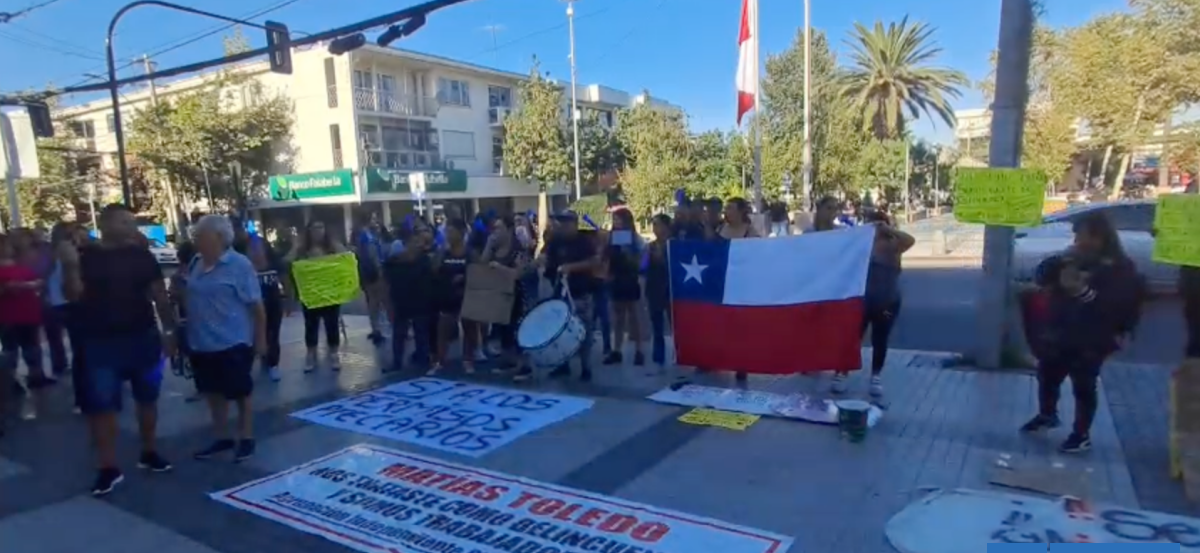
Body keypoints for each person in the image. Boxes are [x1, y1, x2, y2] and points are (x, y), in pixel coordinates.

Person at [61, 203, 175, 496]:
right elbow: (72, 295)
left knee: (147, 398)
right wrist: (70, 267)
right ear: (107, 224)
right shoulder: (85, 257)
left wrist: (170, 331)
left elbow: (159, 294)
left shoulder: (142, 256)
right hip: (101, 343)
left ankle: (149, 452)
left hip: (143, 337)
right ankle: (108, 467)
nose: (131, 227)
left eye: (132, 222)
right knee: (103, 406)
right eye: (125, 222)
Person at [1020, 212, 1143, 453]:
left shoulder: (1119, 267)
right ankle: (1047, 414)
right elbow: (1042, 275)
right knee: (1047, 372)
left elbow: (1113, 305)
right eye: (1076, 235)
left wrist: (1081, 291)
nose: (1077, 240)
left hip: (1095, 336)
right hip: (1063, 330)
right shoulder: (1074, 258)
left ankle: (1081, 433)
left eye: (1082, 235)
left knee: (1084, 383)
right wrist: (1060, 262)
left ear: (1099, 237)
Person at [185, 215, 266, 463]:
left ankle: (246, 437)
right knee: (212, 392)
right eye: (195, 235)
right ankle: (222, 437)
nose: (196, 239)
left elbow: (256, 306)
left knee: (241, 392)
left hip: (233, 341)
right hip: (201, 342)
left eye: (200, 235)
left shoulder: (239, 265)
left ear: (218, 237)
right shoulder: (196, 262)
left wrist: (261, 340)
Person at [829, 209, 915, 397]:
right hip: (862, 300)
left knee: (880, 339)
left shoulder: (893, 244)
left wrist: (887, 229)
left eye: (874, 225)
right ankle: (841, 373)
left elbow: (910, 240)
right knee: (853, 337)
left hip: (887, 300)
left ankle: (875, 377)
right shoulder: (861, 245)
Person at [543, 211, 602, 381]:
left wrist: (572, 267)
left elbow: (594, 262)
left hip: (581, 291)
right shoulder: (555, 241)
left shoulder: (584, 241)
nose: (564, 226)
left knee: (584, 329)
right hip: (559, 292)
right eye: (562, 222)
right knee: (560, 331)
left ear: (575, 223)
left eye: (567, 222)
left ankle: (586, 367)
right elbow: (548, 260)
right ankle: (563, 364)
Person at [285, 220, 347, 372]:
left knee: (331, 324)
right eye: (314, 228)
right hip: (310, 295)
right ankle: (311, 355)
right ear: (309, 231)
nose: (318, 231)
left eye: (321, 227)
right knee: (311, 325)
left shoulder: (332, 246)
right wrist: (296, 246)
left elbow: (346, 257)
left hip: (330, 293)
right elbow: (287, 260)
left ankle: (334, 354)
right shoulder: (302, 248)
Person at [232, 218, 286, 382]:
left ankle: (272, 364)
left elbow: (282, 271)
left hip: (271, 300)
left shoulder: (262, 246)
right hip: (247, 304)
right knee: (249, 334)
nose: (256, 254)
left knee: (272, 332)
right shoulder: (233, 251)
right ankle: (251, 364)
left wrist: (288, 297)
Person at [480, 216, 533, 378]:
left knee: (517, 329)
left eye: (499, 228)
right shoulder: (495, 248)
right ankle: (508, 360)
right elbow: (482, 263)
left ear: (508, 230)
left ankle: (525, 366)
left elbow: (519, 273)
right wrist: (489, 245)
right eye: (494, 228)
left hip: (516, 294)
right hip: (499, 293)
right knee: (504, 329)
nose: (496, 232)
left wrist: (499, 267)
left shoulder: (517, 249)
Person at [384, 221, 435, 372]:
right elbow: (387, 283)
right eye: (415, 241)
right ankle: (397, 362)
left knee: (420, 333)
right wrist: (389, 304)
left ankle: (422, 360)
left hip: (419, 302)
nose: (418, 244)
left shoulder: (424, 260)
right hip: (402, 302)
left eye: (420, 241)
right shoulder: (395, 261)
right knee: (400, 333)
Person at [430, 219, 477, 375]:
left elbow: (478, 272)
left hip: (465, 297)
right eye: (447, 232)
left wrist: (464, 278)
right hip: (447, 298)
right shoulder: (444, 252)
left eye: (451, 232)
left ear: (461, 233)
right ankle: (440, 361)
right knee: (443, 329)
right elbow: (435, 270)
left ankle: (468, 360)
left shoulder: (470, 253)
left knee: (469, 329)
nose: (448, 235)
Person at [605, 208, 645, 366]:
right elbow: (606, 257)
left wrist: (632, 257)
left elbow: (643, 260)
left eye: (619, 220)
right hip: (616, 278)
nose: (616, 223)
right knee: (618, 316)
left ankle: (639, 350)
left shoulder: (636, 238)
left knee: (634, 316)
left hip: (630, 278)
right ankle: (617, 350)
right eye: (615, 220)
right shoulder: (611, 238)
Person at [644, 214, 674, 374]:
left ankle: (679, 354)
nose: (655, 229)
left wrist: (662, 258)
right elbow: (642, 267)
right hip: (654, 289)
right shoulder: (650, 246)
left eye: (658, 225)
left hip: (670, 289)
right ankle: (658, 357)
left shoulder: (674, 244)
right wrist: (646, 257)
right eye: (653, 225)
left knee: (674, 324)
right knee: (657, 326)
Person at [353, 211, 389, 345]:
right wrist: (379, 269)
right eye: (373, 218)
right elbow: (371, 254)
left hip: (366, 271)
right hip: (373, 272)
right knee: (377, 300)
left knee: (373, 302)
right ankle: (378, 329)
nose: (376, 221)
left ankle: (376, 328)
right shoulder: (367, 235)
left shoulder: (365, 235)